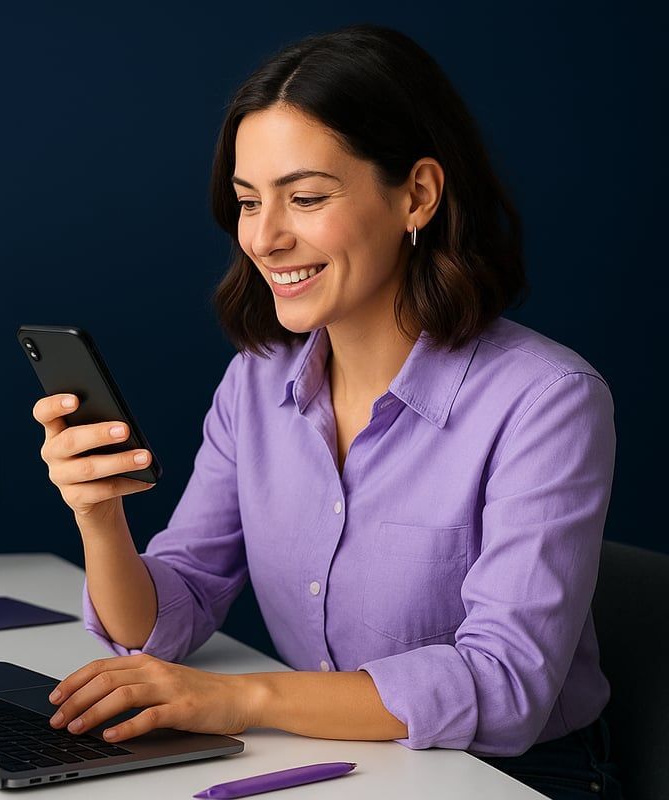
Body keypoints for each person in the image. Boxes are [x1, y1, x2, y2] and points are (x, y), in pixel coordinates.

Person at [31, 24, 622, 800]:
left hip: (511, 777)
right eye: (248, 203)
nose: (266, 239)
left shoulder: (546, 400)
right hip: (341, 764)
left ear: (417, 195)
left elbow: (506, 685)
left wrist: (241, 699)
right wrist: (99, 515)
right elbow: (169, 616)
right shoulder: (256, 381)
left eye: (306, 198)